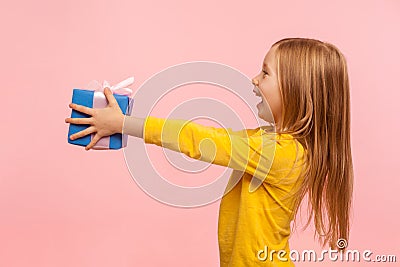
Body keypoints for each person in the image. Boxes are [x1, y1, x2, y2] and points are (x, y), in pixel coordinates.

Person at [65, 37, 354, 266]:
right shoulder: (269, 143)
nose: (255, 79)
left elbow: (199, 139)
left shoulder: (279, 154)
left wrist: (123, 123)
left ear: (296, 90)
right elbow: (207, 137)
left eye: (265, 73)